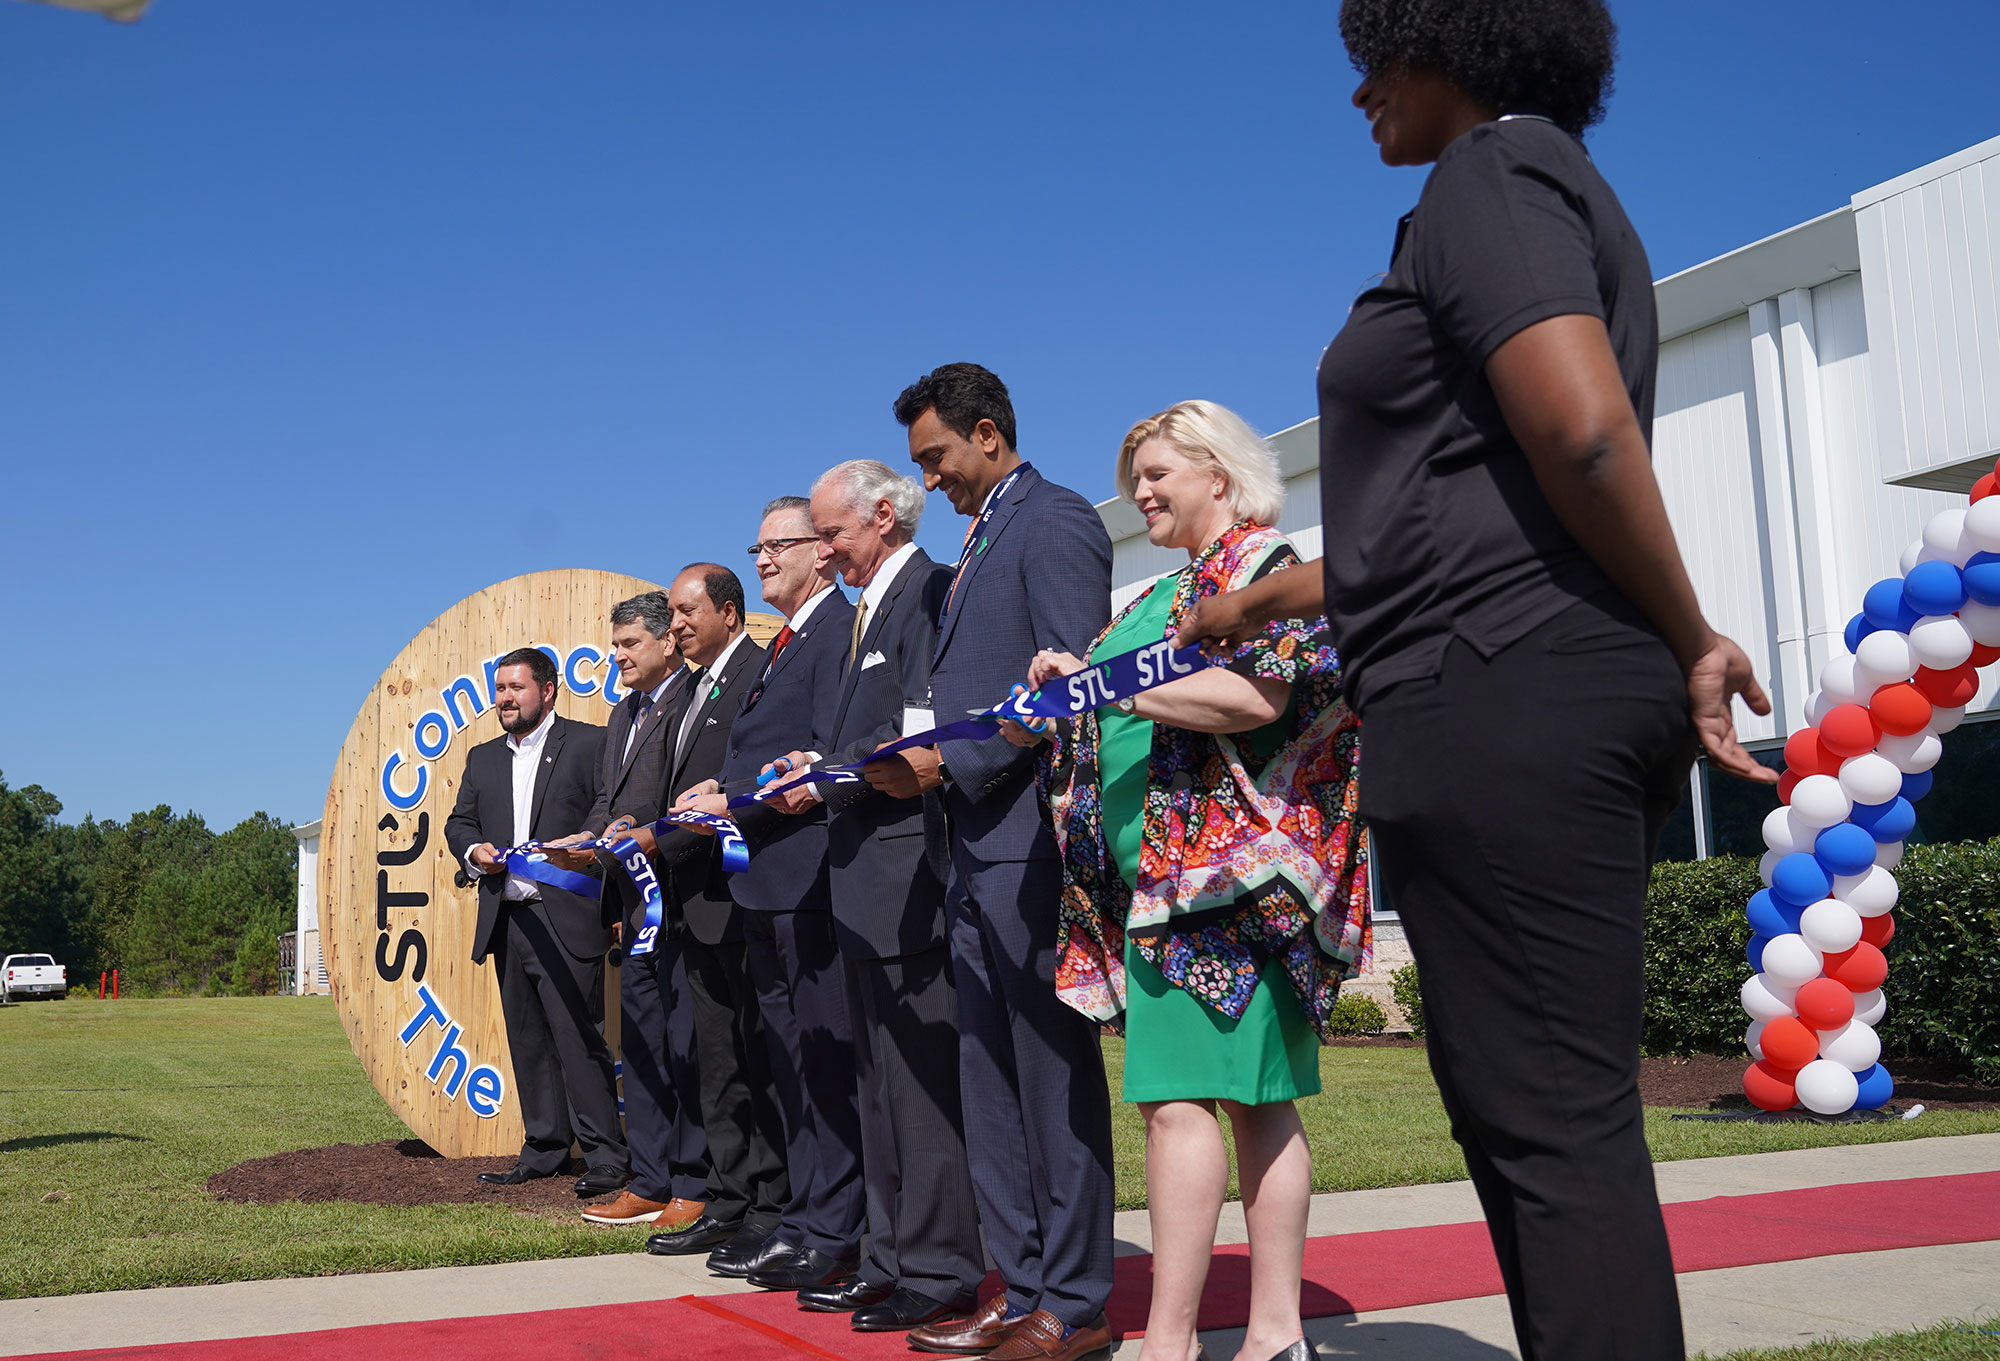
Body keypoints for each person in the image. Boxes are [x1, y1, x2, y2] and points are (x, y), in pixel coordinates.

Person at [1178, 5, 1775, 1356]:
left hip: (1514, 685)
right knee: (1520, 1109)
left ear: (1461, 44)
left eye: (1373, 63)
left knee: (1554, 1120)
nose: (1359, 98)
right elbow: (1447, 508)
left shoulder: (1493, 175)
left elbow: (1585, 432)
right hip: (1499, 676)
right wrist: (1268, 596)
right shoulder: (1504, 191)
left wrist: (1691, 632)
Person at [1010, 403, 1368, 1361]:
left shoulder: (1264, 570)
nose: (1142, 492)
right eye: (1136, 476)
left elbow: (1259, 697)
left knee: (1187, 1103)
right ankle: (1272, 1335)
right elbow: (1119, 703)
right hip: (1159, 888)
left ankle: (1180, 1339)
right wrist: (1070, 683)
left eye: (1160, 472)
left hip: (1225, 888)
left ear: (1221, 471)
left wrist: (1105, 682)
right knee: (1244, 1101)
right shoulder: (1157, 596)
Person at [878, 363, 1118, 1361]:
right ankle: (1017, 1285)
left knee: (1048, 1071)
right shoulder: (977, 540)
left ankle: (1074, 1300)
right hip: (966, 846)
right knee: (987, 1075)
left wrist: (950, 759)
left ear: (986, 432)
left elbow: (1066, 684)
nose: (928, 481)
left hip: (1028, 840)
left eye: (934, 457)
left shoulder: (1054, 520)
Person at [763, 459, 984, 1335]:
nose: (824, 550)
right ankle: (890, 1255)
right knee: (876, 1086)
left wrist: (831, 781)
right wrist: (815, 769)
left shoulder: (927, 593)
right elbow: (860, 736)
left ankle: (940, 1266)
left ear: (883, 516)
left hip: (908, 878)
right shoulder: (865, 612)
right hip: (859, 879)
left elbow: (922, 736)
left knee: (922, 1091)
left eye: (831, 533)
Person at [660, 501, 866, 1287]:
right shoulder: (785, 641)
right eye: (759, 545)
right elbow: (769, 752)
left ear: (821, 551)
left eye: (778, 543)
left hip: (808, 875)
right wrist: (730, 784)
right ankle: (810, 1221)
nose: (764, 555)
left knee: (821, 1065)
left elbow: (818, 751)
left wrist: (733, 797)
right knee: (791, 1064)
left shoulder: (836, 630)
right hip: (766, 882)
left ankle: (830, 1226)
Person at [543, 593, 709, 1228]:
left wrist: (627, 832)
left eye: (629, 644)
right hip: (633, 904)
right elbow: (608, 803)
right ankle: (650, 1177)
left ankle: (693, 1184)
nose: (618, 657)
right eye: (614, 646)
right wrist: (580, 847)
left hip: (681, 896)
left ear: (668, 642)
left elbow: (674, 805)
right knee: (639, 1040)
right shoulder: (621, 714)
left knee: (685, 1044)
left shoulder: (692, 705)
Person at [645, 564, 792, 1275]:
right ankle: (728, 1202)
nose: (674, 623)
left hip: (742, 895)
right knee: (718, 1065)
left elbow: (748, 781)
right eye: (670, 612)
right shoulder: (689, 689)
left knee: (758, 1060)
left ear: (728, 613)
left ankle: (769, 1205)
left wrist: (655, 838)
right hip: (692, 901)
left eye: (685, 609)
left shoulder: (758, 674)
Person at [441, 648, 624, 1197]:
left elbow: (606, 807)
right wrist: (475, 851)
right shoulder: (482, 758)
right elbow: (459, 822)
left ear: (548, 691)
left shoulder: (590, 743)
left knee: (579, 1037)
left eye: (516, 688)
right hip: (508, 916)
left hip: (567, 913)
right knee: (527, 1039)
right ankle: (544, 1149)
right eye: (500, 689)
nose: (505, 699)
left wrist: (580, 844)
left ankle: (606, 1158)